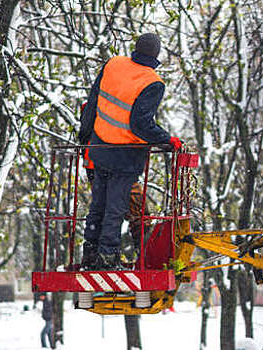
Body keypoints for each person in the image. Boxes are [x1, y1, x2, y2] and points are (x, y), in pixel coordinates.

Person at [78, 33, 182, 270]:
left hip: (100, 147)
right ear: (156, 55)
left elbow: (92, 103)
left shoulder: (113, 64)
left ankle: (90, 254)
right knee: (115, 209)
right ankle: (107, 257)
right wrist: (167, 140)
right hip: (124, 156)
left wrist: (86, 139)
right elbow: (140, 125)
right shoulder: (153, 82)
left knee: (98, 206)